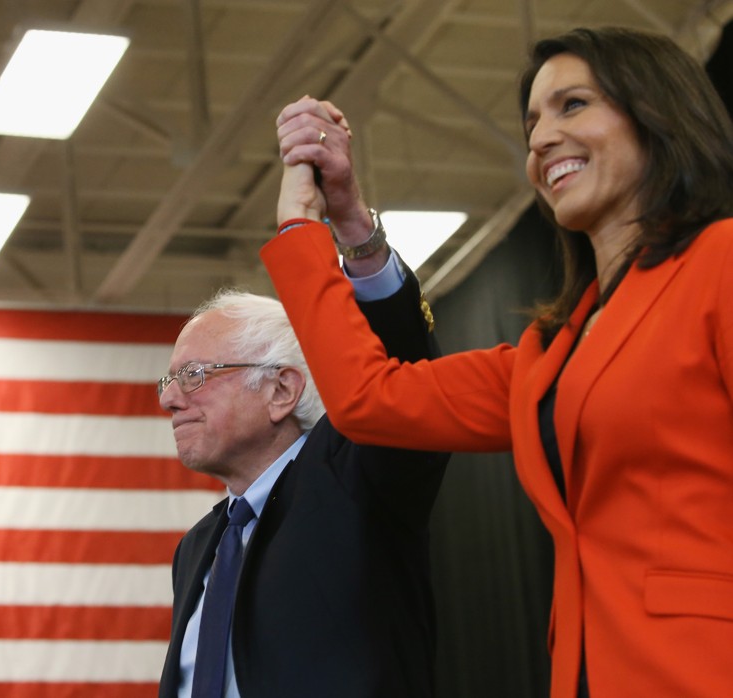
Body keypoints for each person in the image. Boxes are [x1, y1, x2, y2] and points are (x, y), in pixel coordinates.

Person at [264, 26, 733, 698]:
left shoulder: (722, 261)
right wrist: (315, 224)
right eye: (532, 120)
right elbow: (369, 398)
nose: (540, 139)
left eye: (573, 105)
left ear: (660, 116)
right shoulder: (550, 353)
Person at [156, 286, 447, 697]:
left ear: (281, 391)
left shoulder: (354, 483)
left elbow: (407, 386)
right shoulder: (197, 547)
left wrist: (365, 252)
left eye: (193, 376)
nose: (169, 398)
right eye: (169, 381)